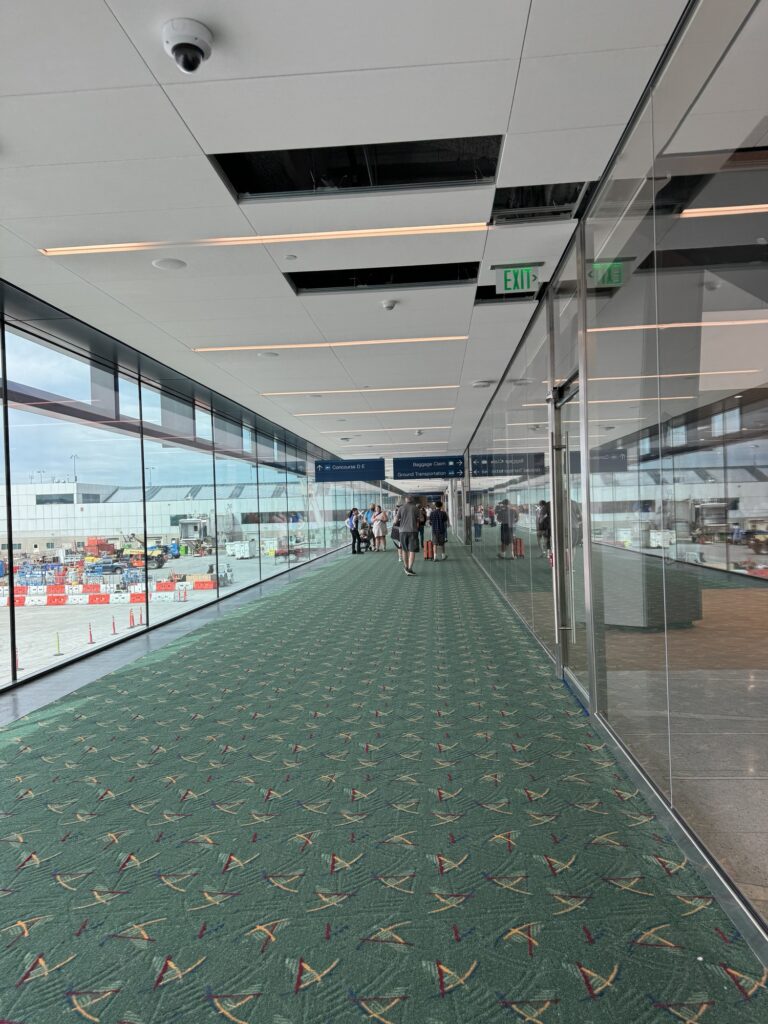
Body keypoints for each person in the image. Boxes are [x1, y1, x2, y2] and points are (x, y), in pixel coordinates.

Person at [393, 495, 420, 576]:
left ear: (405, 500)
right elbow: (421, 519)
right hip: (413, 531)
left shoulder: (401, 508)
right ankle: (410, 568)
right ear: (412, 500)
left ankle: (405, 566)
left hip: (403, 531)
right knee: (412, 550)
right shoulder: (416, 508)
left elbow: (395, 521)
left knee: (404, 550)